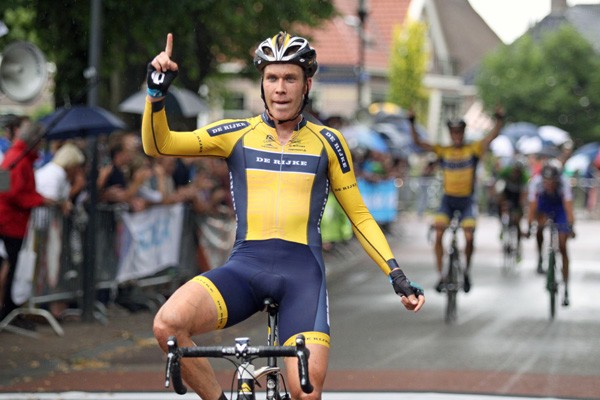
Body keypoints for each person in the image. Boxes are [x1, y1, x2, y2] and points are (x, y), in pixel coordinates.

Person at [143, 32, 425, 400]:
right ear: (262, 83)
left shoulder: (329, 142)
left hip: (302, 278)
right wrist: (156, 94)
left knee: (305, 392)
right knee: (167, 325)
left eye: (289, 78)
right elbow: (159, 144)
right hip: (244, 270)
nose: (280, 88)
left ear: (307, 84)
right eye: (272, 78)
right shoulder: (236, 134)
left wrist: (396, 274)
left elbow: (359, 216)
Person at [409, 109, 504, 293]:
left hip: (467, 200)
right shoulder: (443, 151)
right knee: (438, 233)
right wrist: (412, 122)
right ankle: (441, 276)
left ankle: (466, 271)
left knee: (468, 236)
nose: (457, 135)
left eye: (459, 131)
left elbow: (491, 137)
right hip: (448, 200)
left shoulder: (473, 148)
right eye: (453, 132)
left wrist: (499, 119)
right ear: (450, 134)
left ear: (463, 132)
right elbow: (418, 143)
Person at [0, 121, 57, 328]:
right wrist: (39, 200)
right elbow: (11, 192)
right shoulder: (18, 158)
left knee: (14, 268)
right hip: (11, 222)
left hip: (11, 220)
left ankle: (11, 310)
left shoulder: (14, 156)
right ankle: (10, 311)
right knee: (15, 269)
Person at [525, 160, 575, 306]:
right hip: (544, 205)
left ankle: (565, 285)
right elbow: (533, 207)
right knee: (539, 228)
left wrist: (570, 226)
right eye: (546, 182)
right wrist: (529, 225)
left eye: (552, 182)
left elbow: (568, 207)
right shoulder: (536, 183)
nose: (549, 185)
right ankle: (540, 257)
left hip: (559, 207)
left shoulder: (564, 183)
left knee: (563, 245)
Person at [495, 156, 530, 259]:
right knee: (500, 204)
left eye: (518, 171)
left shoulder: (524, 177)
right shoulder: (505, 172)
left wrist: (520, 209)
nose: (516, 173)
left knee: (517, 221)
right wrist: (502, 202)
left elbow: (524, 195)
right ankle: (502, 226)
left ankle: (518, 248)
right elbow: (498, 188)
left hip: (518, 196)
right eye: (515, 171)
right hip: (507, 192)